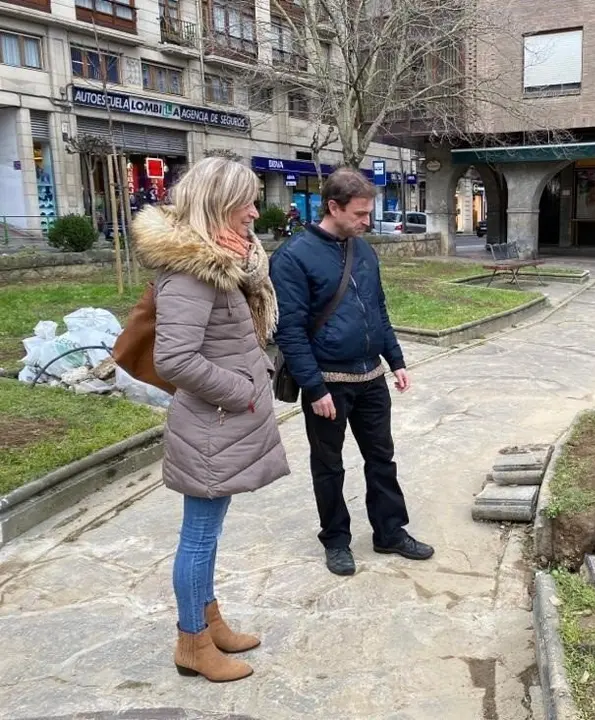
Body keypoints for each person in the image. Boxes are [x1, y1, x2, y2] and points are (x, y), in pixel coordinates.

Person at [132, 157, 290, 683]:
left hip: (218, 427)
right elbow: (174, 360)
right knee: (198, 538)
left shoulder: (221, 262)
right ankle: (192, 644)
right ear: (217, 205)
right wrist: (243, 391)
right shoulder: (191, 273)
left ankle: (209, 622)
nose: (253, 210)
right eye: (244, 201)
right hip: (210, 428)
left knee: (209, 535)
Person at [270, 167, 433, 577]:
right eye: (360, 214)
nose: (366, 221)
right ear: (333, 207)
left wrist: (395, 360)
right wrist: (314, 386)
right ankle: (336, 540)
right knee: (329, 466)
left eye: (368, 213)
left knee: (382, 458)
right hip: (327, 384)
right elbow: (289, 332)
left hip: (371, 377)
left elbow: (378, 309)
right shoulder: (292, 257)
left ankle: (390, 532)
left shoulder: (363, 249)